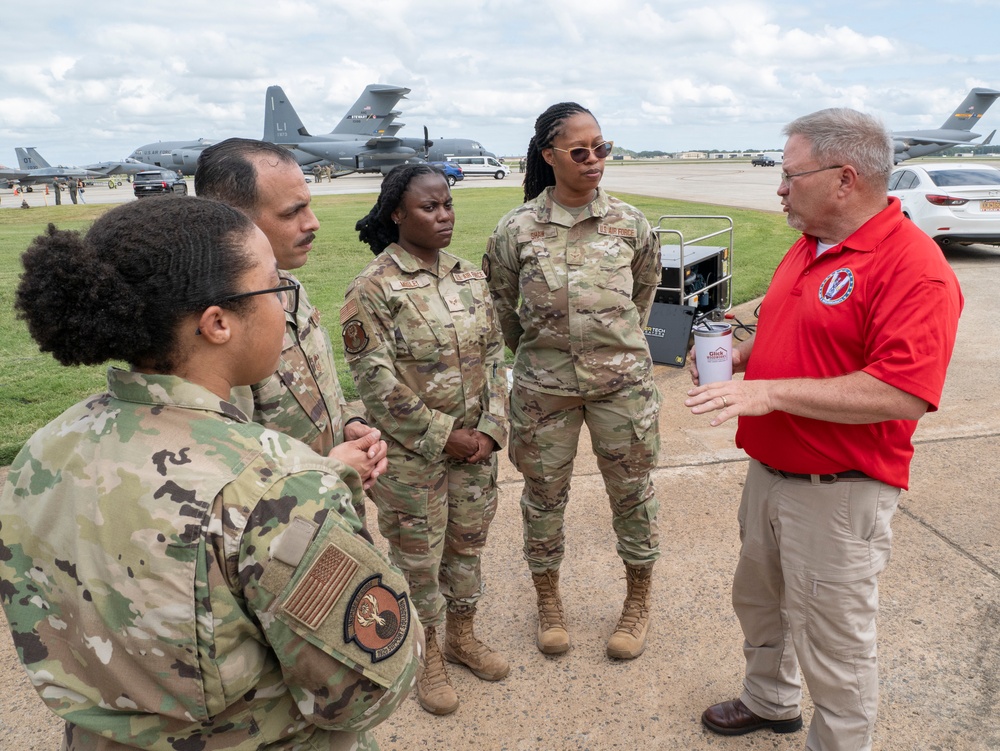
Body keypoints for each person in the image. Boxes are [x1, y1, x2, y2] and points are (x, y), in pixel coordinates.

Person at [0, 197, 421, 750]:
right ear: (217, 324)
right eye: (275, 286)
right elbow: (366, 691)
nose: (285, 302)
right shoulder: (279, 486)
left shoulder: (44, 451)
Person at [685, 108, 963, 750]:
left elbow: (901, 393)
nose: (779, 188)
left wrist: (767, 391)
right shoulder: (812, 243)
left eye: (790, 175)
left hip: (839, 492)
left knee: (834, 647)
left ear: (843, 178)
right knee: (760, 605)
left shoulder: (913, 269)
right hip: (772, 473)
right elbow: (795, 334)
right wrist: (739, 358)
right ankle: (771, 701)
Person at [484, 102, 663, 661]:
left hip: (622, 389)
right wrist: (537, 355)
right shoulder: (516, 229)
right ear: (549, 157)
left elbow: (642, 294)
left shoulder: (631, 224)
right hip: (544, 392)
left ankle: (636, 602)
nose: (594, 160)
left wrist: (611, 347)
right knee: (542, 499)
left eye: (602, 149)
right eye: (580, 152)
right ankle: (549, 601)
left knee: (633, 496)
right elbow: (500, 305)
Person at [344, 163, 509, 715]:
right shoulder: (373, 288)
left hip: (476, 454)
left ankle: (461, 637)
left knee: (466, 549)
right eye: (428, 207)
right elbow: (375, 379)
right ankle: (427, 652)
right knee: (418, 562)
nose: (443, 216)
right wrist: (446, 436)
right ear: (397, 214)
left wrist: (491, 428)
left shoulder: (469, 275)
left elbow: (495, 356)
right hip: (415, 460)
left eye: (447, 205)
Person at [195, 138, 387, 518]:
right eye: (291, 212)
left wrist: (346, 423)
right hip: (280, 532)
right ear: (233, 219)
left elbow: (311, 386)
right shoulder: (216, 326)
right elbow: (219, 482)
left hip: (325, 506)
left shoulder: (284, 286)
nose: (312, 222)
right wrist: (331, 469)